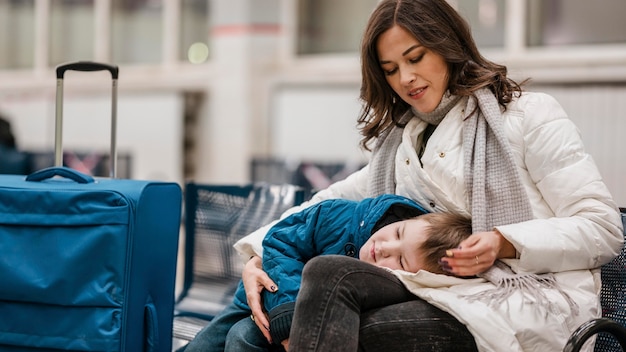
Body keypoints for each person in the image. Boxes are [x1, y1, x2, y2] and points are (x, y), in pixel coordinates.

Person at [235, 0, 625, 351]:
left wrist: (503, 242)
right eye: (390, 69)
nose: (405, 78)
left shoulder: (529, 116)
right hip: (440, 292)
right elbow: (326, 201)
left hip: (523, 300)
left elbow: (602, 228)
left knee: (346, 320)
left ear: (447, 46)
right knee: (258, 328)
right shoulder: (407, 143)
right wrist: (258, 256)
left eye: (416, 58)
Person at [181, 193, 472, 351]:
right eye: (397, 233)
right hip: (260, 296)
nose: (385, 248)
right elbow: (281, 240)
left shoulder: (386, 284)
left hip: (294, 315)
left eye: (401, 260)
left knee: (241, 337)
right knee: (207, 343)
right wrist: (288, 315)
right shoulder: (339, 216)